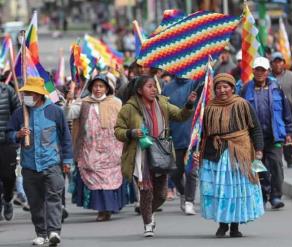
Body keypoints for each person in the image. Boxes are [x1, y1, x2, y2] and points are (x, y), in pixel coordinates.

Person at [114, 75, 196, 237]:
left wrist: (189, 104)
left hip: (161, 152)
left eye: (154, 86)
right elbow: (118, 131)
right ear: (139, 90)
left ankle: (148, 213)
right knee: (146, 191)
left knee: (161, 194)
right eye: (149, 86)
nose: (154, 89)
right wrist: (131, 132)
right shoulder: (129, 108)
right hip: (140, 155)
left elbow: (180, 115)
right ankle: (148, 224)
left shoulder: (163, 103)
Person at [194, 73, 264, 238]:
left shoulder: (242, 104)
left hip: (240, 152)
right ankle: (222, 224)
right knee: (220, 190)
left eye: (226, 87)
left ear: (232, 88)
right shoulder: (209, 107)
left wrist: (259, 149)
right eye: (218, 87)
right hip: (216, 154)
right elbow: (201, 132)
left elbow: (255, 128)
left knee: (237, 190)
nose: (222, 90)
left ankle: (234, 226)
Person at [6, 77, 73, 246]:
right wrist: (17, 135)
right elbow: (8, 133)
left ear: (39, 94)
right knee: (35, 202)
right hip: (29, 166)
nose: (27, 96)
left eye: (30, 93)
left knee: (54, 198)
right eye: (25, 93)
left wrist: (67, 160)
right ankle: (41, 232)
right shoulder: (19, 113)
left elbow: (65, 136)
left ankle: (53, 232)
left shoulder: (54, 111)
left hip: (51, 164)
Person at [64, 73, 126, 221]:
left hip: (112, 149)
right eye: (95, 86)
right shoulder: (83, 102)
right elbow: (68, 114)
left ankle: (109, 208)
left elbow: (124, 121)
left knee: (110, 178)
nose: (98, 89)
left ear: (107, 88)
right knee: (95, 178)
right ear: (91, 87)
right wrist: (68, 102)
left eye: (101, 86)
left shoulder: (116, 102)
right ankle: (101, 209)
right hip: (90, 149)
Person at [241, 57, 292, 209]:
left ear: (268, 71)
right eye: (257, 69)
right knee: (259, 168)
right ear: (253, 71)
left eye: (262, 70)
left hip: (274, 135)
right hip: (254, 138)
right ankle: (263, 196)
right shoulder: (245, 89)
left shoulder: (277, 87)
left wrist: (289, 131)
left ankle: (276, 196)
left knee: (276, 166)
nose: (259, 73)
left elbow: (286, 111)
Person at [162, 77, 201, 215]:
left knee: (191, 171)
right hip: (175, 136)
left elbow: (206, 83)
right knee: (175, 173)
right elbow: (163, 110)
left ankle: (189, 201)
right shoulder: (167, 87)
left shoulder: (195, 83)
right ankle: (183, 193)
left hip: (192, 136)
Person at [0, 75, 21, 221]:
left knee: (8, 177)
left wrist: (16, 133)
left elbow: (18, 112)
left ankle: (7, 199)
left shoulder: (7, 90)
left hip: (6, 142)